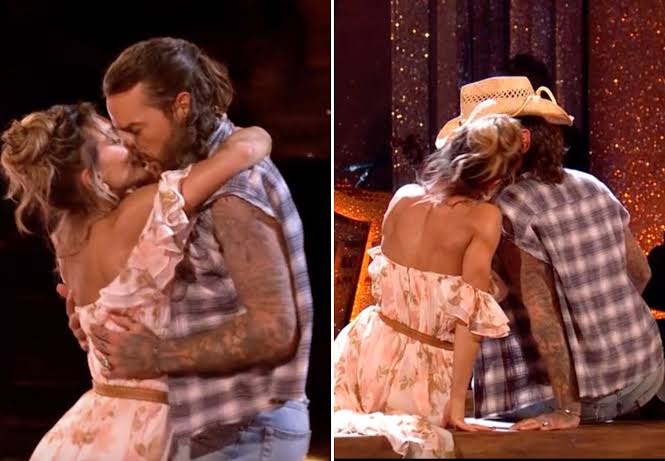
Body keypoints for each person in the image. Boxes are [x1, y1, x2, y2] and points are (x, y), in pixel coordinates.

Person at [62, 37, 314, 460]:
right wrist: (99, 321)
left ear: (181, 106)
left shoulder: (233, 193)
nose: (128, 145)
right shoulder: (183, 174)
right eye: (119, 132)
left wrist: (155, 355)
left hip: (246, 433)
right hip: (211, 432)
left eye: (135, 130)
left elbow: (274, 329)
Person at [0, 102, 269, 459]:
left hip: (94, 426)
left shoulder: (65, 239)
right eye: (113, 140)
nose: (128, 142)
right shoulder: (142, 210)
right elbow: (247, 149)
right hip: (155, 426)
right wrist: (252, 132)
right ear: (91, 177)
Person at [435, 76, 664, 430]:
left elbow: (543, 316)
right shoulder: (593, 185)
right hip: (646, 373)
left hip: (575, 399)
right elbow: (641, 273)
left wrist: (567, 411)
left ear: (522, 141)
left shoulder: (505, 209)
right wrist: (599, 317)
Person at [334, 114, 525, 458]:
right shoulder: (483, 218)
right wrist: (457, 404)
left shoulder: (404, 197)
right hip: (422, 369)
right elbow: (469, 319)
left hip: (365, 350)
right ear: (496, 178)